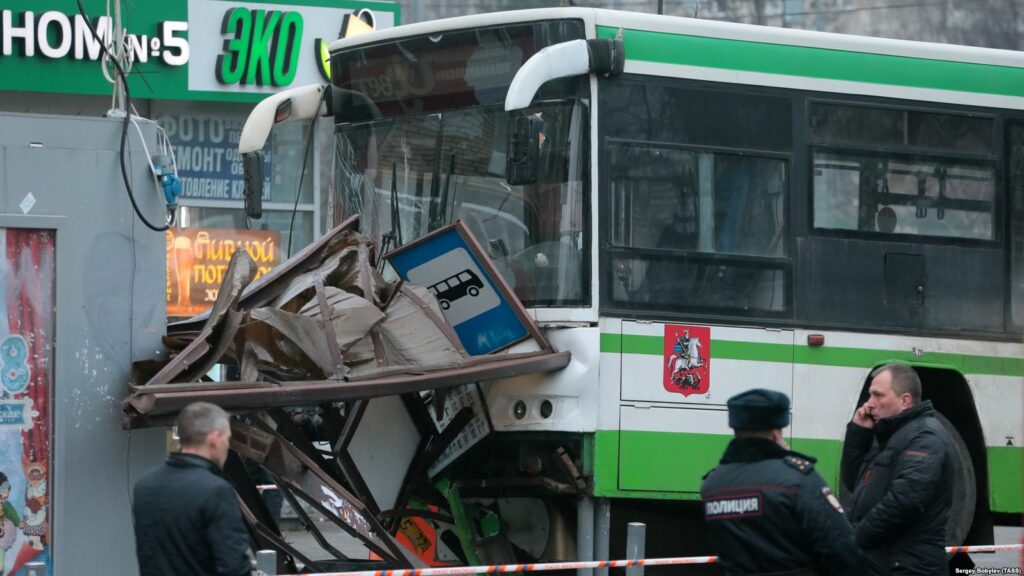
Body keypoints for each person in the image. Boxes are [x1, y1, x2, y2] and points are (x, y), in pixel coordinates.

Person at [701, 389, 863, 576]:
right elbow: (841, 548)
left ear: (735, 428)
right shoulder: (798, 479)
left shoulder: (712, 484)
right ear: (776, 432)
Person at [840, 364, 954, 575]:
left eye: (878, 396)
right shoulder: (892, 434)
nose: (869, 404)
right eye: (870, 395)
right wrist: (858, 433)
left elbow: (905, 500)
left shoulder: (925, 436)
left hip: (908, 567)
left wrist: (854, 539)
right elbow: (856, 483)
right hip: (889, 563)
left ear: (905, 401)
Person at [132, 402, 253, 576]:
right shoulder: (216, 491)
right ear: (214, 438)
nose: (227, 446)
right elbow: (234, 568)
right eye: (227, 439)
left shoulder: (144, 486)